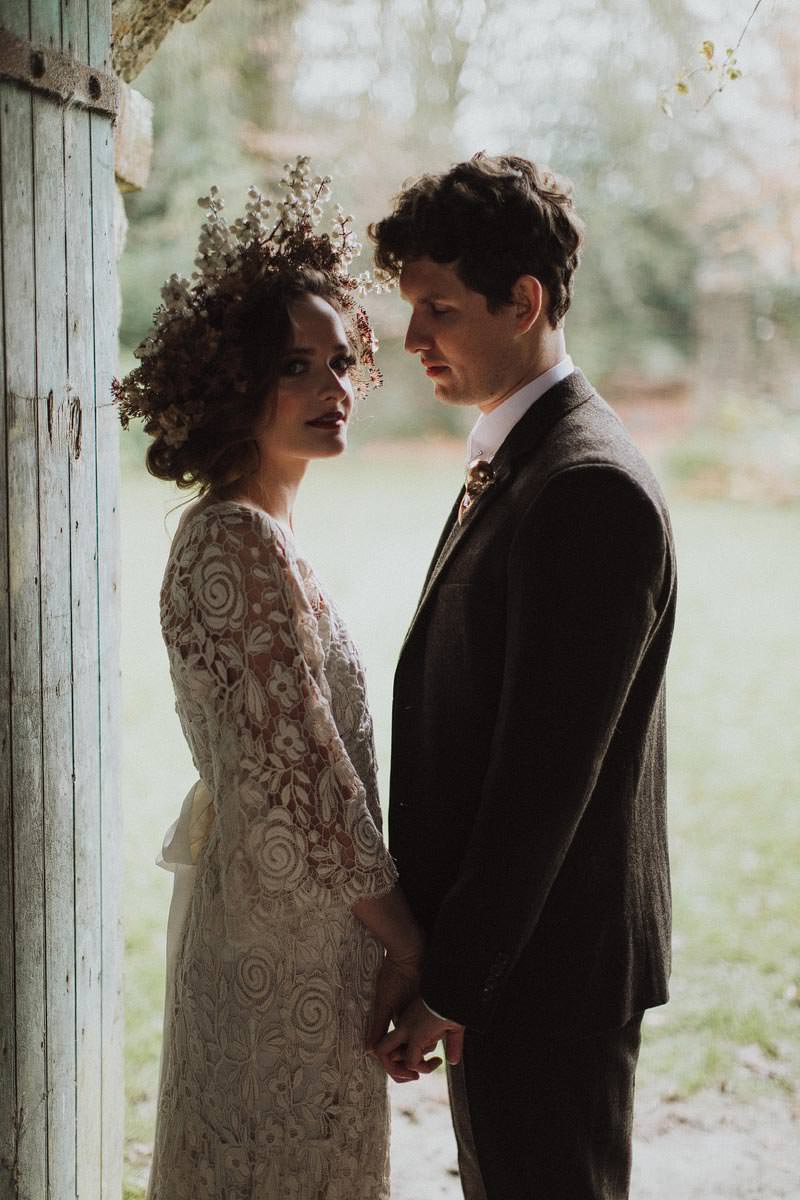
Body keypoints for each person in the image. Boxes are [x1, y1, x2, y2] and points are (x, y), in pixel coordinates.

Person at [114, 160, 427, 1200]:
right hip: (277, 947)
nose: (332, 391)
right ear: (231, 383)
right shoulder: (232, 542)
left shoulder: (269, 535)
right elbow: (296, 781)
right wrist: (411, 943)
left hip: (309, 931)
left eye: (341, 362)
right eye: (296, 368)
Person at [368, 153, 677, 1199]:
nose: (411, 339)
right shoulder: (522, 455)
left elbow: (543, 779)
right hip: (510, 964)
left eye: (437, 309)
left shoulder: (586, 487)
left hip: (548, 973)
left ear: (525, 300)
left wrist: (451, 983)